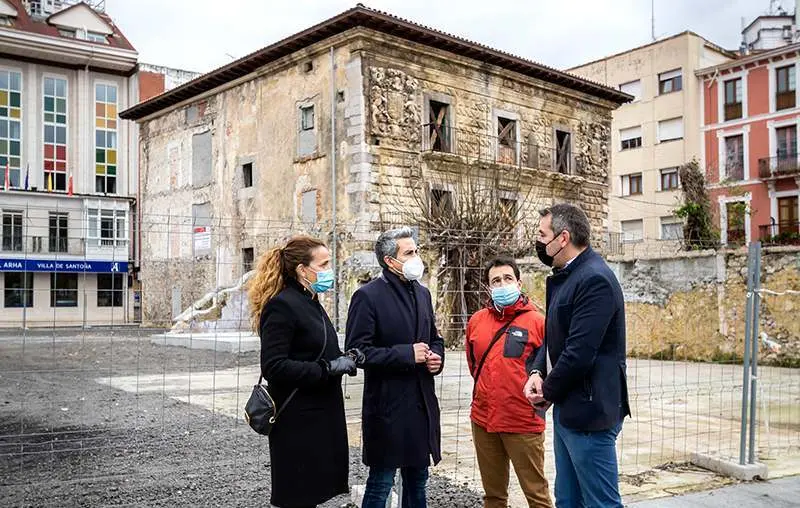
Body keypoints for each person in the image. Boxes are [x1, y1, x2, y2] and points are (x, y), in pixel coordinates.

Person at [523, 204, 631, 508]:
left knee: (600, 503)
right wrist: (536, 373)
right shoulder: (567, 276)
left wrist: (547, 392)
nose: (538, 240)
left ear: (563, 238)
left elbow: (579, 352)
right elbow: (554, 338)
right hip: (569, 408)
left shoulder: (594, 279)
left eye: (542, 234)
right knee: (568, 500)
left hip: (589, 413)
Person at [248, 235, 357, 508]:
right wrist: (327, 368)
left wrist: (344, 358)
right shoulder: (282, 305)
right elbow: (273, 366)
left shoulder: (311, 300)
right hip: (297, 421)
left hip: (320, 416)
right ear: (302, 269)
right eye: (324, 264)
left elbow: (312, 348)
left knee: (314, 493)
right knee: (298, 496)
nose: (330, 269)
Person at [345, 226, 445, 508]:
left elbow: (435, 338)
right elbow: (357, 352)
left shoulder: (423, 294)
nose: (417, 257)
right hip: (387, 405)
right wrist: (405, 355)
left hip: (420, 404)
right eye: (410, 252)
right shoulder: (368, 296)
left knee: (418, 481)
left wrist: (436, 357)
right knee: (381, 482)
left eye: (417, 251)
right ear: (390, 261)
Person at [466, 256, 552, 508]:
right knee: (493, 496)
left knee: (537, 495)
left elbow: (549, 366)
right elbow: (475, 366)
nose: (502, 284)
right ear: (488, 288)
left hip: (523, 420)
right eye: (496, 280)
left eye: (507, 278)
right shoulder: (476, 322)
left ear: (519, 282)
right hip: (483, 420)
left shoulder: (538, 322)